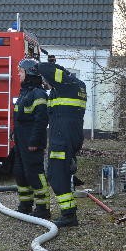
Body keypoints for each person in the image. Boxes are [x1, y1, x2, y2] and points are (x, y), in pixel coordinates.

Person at [37, 58, 87, 227]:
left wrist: (34, 66)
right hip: (66, 135)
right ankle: (68, 213)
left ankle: (69, 215)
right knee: (60, 173)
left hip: (63, 137)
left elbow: (47, 70)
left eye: (46, 80)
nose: (45, 83)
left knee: (56, 175)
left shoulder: (69, 84)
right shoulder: (69, 88)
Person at [12, 58, 50, 219]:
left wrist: (34, 141)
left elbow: (41, 120)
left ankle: (43, 208)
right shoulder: (24, 92)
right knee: (20, 172)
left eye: (21, 71)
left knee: (34, 173)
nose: (18, 74)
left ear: (29, 73)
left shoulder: (39, 94)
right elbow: (19, 117)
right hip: (21, 140)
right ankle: (25, 204)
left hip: (32, 141)